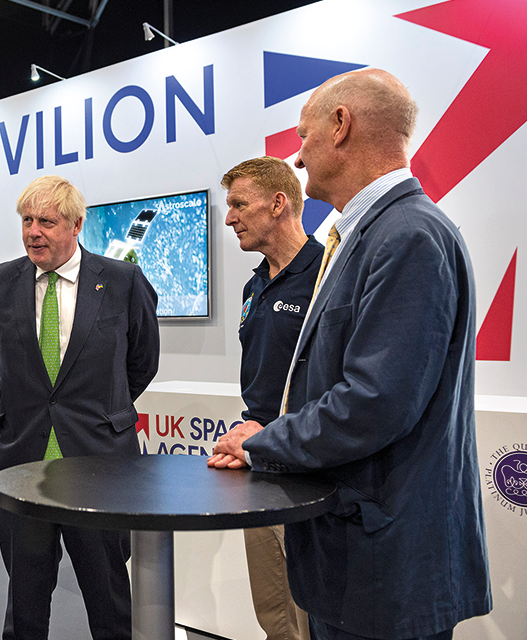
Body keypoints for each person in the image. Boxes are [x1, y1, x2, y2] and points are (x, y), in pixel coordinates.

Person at [208, 69, 492, 640]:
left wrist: (262, 442)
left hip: (386, 561)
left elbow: (374, 402)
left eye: (304, 133)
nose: (299, 153)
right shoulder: (369, 235)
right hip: (358, 553)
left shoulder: (407, 234)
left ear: (341, 126)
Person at [0, 175, 160, 640]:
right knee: (25, 598)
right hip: (21, 462)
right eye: (27, 221)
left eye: (46, 222)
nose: (33, 231)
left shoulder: (122, 281)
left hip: (101, 463)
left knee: (110, 597)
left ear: (76, 225)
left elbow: (142, 363)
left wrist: (98, 410)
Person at [222, 156, 322, 640]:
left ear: (279, 203)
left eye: (239, 204)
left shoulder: (329, 275)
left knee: (312, 613)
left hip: (310, 468)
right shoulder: (253, 285)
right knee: (275, 614)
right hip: (257, 464)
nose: (229, 217)